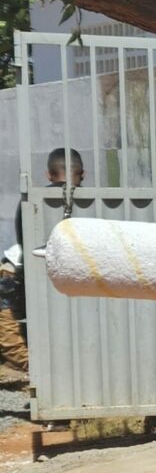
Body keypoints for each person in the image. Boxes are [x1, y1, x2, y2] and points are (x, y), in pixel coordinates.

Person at [1, 149, 86, 373]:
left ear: (48, 175)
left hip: (19, 271)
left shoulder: (30, 202)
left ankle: (42, 376)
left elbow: (23, 244)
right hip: (73, 278)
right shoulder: (92, 202)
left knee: (23, 338)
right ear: (83, 174)